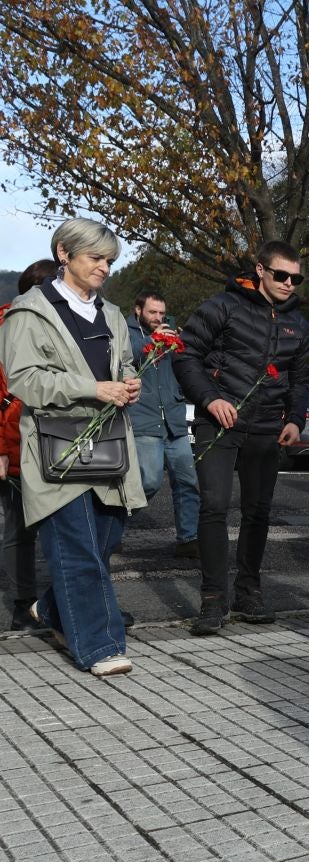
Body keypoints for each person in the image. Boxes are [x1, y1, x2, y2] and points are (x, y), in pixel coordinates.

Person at [0, 218, 146, 675]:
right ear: (64, 253)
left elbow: (121, 362)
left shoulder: (113, 314)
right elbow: (25, 378)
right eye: (95, 258)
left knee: (105, 540)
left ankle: (52, 607)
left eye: (109, 260)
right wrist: (93, 389)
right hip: (55, 447)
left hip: (110, 446)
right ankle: (100, 647)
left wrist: (128, 380)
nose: (104, 267)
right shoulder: (29, 311)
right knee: (78, 547)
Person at [174, 240, 309, 635]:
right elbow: (185, 355)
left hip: (267, 428)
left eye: (296, 278)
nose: (289, 283)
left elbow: (300, 379)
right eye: (282, 275)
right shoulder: (223, 306)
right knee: (214, 507)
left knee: (258, 512)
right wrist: (210, 398)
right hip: (217, 423)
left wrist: (296, 419)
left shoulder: (299, 324)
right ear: (260, 270)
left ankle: (249, 592)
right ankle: (213, 599)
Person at [1, 260, 56, 630]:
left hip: (59, 438)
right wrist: (2, 449)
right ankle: (24, 603)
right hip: (16, 439)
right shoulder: (6, 327)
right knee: (20, 528)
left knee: (70, 527)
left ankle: (68, 602)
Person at [126, 291, 200, 558]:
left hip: (174, 420)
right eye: (152, 313)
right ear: (138, 311)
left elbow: (186, 371)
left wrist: (183, 346)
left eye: (161, 313)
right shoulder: (127, 334)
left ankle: (188, 538)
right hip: (144, 419)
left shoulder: (172, 334)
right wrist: (152, 342)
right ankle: (112, 525)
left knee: (187, 481)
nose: (158, 318)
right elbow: (124, 359)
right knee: (149, 481)